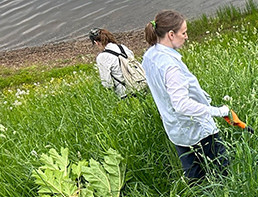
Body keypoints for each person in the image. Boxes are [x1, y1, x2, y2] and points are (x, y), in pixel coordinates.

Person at [142, 10, 230, 181]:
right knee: (223, 171)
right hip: (197, 128)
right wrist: (219, 111)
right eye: (184, 33)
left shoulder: (150, 56)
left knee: (194, 176)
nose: (187, 37)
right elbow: (182, 104)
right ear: (171, 34)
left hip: (174, 128)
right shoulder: (170, 66)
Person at [89, 28, 135, 98]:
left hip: (124, 94)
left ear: (96, 42)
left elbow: (107, 84)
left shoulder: (102, 57)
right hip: (138, 86)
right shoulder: (122, 47)